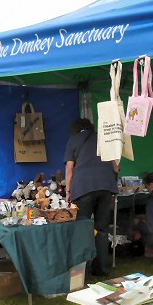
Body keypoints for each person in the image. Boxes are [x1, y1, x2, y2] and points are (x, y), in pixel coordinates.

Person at [64, 118, 119, 276]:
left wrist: (68, 191)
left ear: (75, 129)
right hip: (106, 188)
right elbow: (115, 166)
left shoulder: (73, 141)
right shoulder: (104, 138)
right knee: (101, 229)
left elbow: (69, 168)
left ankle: (82, 272)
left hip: (83, 188)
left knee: (82, 229)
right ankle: (101, 269)